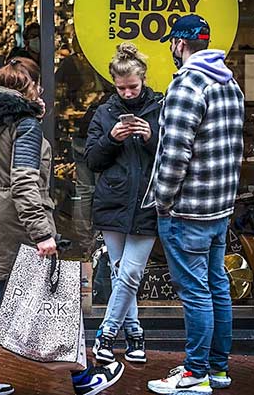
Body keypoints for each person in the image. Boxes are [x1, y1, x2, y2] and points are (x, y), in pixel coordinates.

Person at [0, 57, 123, 395]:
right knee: (52, 296)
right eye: (38, 84)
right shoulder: (24, 124)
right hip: (17, 219)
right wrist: (43, 232)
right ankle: (83, 378)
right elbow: (24, 182)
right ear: (31, 87)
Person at [144, 15, 244, 395]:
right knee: (217, 287)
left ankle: (195, 373)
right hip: (219, 209)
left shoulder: (188, 85)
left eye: (172, 41)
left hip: (187, 211)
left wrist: (164, 202)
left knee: (196, 293)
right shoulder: (229, 83)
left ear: (179, 44)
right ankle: (218, 369)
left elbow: (174, 155)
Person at [85, 43, 162, 365]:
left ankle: (105, 335)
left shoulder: (161, 107)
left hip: (148, 200)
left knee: (130, 273)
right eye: (121, 88)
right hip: (113, 201)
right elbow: (91, 160)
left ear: (143, 80)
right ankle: (135, 335)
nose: (128, 93)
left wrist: (151, 137)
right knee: (120, 274)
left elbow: (174, 154)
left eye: (133, 87)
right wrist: (111, 138)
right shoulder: (104, 113)